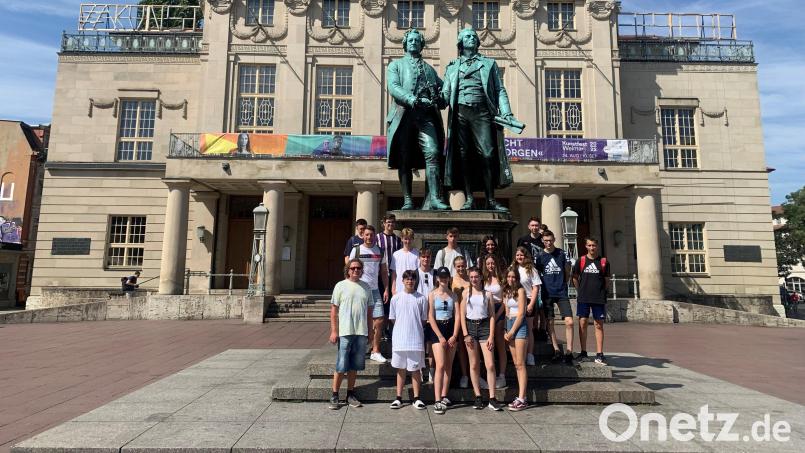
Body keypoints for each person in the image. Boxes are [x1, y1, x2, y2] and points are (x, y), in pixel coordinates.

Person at [441, 28, 517, 212]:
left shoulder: (489, 64)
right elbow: (445, 95)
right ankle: (468, 198)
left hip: (482, 112)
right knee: (464, 156)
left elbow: (499, 90)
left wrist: (506, 112)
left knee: (488, 154)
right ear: (460, 42)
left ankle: (490, 199)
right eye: (468, 36)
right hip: (460, 113)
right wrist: (434, 99)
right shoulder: (452, 67)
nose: (473, 38)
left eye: (474, 36)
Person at [386, 29, 450, 210]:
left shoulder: (429, 69)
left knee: (433, 152)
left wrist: (442, 95)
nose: (413, 42)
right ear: (405, 44)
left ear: (422, 45)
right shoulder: (395, 65)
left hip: (426, 117)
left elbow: (443, 93)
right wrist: (412, 99)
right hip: (405, 116)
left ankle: (435, 199)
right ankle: (407, 199)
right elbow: (394, 87)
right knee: (405, 157)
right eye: (410, 40)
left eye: (417, 40)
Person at [328, 258, 372, 410]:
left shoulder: (366, 287)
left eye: (358, 268)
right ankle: (334, 394)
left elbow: (369, 312)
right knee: (341, 365)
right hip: (345, 332)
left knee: (354, 366)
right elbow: (334, 311)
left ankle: (350, 394)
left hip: (361, 332)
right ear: (347, 270)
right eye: (353, 268)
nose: (356, 270)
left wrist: (370, 332)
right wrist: (334, 331)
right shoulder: (340, 286)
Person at [461, 266, 504, 411]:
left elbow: (492, 315)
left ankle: (492, 397)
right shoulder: (466, 293)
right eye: (471, 277)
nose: (474, 279)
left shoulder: (488, 294)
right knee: (473, 364)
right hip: (471, 327)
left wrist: (491, 335)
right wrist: (466, 334)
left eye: (476, 277)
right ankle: (478, 396)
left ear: (481, 277)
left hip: (485, 327)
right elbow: (461, 315)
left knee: (490, 364)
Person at [348, 225, 390, 363]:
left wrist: (386, 288)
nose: (369, 237)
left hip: (375, 290)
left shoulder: (379, 250)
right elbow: (349, 269)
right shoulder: (356, 250)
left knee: (379, 319)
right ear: (363, 235)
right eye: (366, 235)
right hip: (359, 289)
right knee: (358, 319)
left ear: (374, 236)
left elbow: (384, 271)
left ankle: (375, 350)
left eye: (371, 235)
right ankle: (356, 348)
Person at [388, 270, 429, 410]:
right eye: (407, 279)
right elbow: (393, 318)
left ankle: (417, 398)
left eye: (412, 279)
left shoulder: (422, 298)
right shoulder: (396, 298)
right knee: (401, 369)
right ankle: (398, 398)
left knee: (415, 369)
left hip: (416, 340)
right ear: (402, 280)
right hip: (399, 340)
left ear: (415, 281)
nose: (410, 281)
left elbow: (424, 320)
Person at [535, 230, 574, 365]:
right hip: (547, 293)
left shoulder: (562, 253)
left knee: (569, 321)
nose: (548, 243)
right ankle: (556, 349)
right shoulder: (539, 256)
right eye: (546, 241)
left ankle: (569, 351)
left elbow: (568, 270)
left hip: (562, 292)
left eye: (550, 240)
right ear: (542, 241)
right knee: (550, 322)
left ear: (554, 239)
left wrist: (564, 282)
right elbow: (536, 273)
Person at [572, 238, 610, 365]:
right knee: (582, 323)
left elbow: (606, 280)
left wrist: (602, 292)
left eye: (594, 245)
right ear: (586, 246)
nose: (592, 247)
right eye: (589, 245)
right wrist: (580, 291)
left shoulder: (604, 262)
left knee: (599, 325)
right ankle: (583, 352)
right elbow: (575, 278)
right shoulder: (581, 261)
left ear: (597, 246)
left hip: (598, 298)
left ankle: (600, 354)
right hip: (584, 298)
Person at [428, 267, 460, 414]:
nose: (443, 279)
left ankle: (444, 394)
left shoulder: (453, 295)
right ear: (437, 278)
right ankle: (436, 400)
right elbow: (431, 317)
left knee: (448, 365)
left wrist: (454, 335)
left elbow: (458, 316)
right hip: (437, 330)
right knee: (440, 364)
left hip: (450, 328)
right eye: (441, 277)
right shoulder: (432, 295)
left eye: (446, 276)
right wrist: (440, 336)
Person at [501, 269, 528, 411]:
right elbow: (506, 312)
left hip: (519, 326)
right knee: (516, 364)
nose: (511, 279)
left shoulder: (521, 291)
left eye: (513, 277)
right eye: (509, 276)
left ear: (517, 278)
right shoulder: (506, 292)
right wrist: (506, 329)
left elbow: (522, 313)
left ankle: (522, 398)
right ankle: (521, 395)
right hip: (510, 324)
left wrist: (512, 331)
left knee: (520, 363)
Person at [511, 246, 542, 366]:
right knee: (517, 329)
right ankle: (519, 354)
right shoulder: (513, 268)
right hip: (515, 301)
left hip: (528, 300)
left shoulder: (531, 270)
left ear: (526, 257)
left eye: (521, 255)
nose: (519, 257)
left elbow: (536, 288)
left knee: (528, 329)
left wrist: (532, 304)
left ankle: (530, 354)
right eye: (517, 255)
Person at [483, 254, 507, 390]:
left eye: (492, 263)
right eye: (488, 264)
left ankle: (502, 374)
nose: (490, 266)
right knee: (488, 343)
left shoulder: (501, 279)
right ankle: (490, 373)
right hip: (486, 310)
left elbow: (504, 299)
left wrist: (497, 314)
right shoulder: (483, 279)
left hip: (498, 309)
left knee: (499, 343)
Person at [451, 255, 471, 388]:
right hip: (457, 316)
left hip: (471, 316)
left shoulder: (472, 278)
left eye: (463, 265)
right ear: (454, 267)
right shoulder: (451, 280)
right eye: (458, 266)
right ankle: (464, 375)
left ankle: (475, 374)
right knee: (462, 347)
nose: (461, 268)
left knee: (472, 346)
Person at [391, 228, 420, 295]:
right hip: (399, 289)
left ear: (413, 239)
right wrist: (393, 289)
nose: (407, 241)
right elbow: (394, 274)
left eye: (410, 239)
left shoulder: (417, 254)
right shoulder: (396, 254)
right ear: (402, 239)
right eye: (405, 239)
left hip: (414, 289)